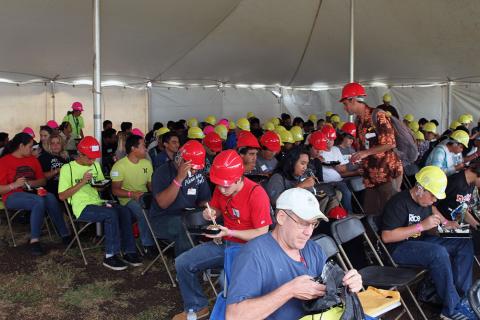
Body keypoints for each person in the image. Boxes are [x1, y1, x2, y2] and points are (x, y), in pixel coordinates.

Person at [226, 188, 362, 320]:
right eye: (303, 223)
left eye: (313, 224)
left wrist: (348, 285)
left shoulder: (313, 249)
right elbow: (234, 316)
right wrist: (289, 290)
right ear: (281, 217)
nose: (308, 232)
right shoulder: (253, 255)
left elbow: (332, 290)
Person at [173, 150, 272, 320]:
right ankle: (197, 307)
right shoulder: (222, 188)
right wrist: (209, 213)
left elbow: (262, 234)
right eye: (218, 185)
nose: (222, 189)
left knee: (225, 282)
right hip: (225, 243)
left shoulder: (256, 194)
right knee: (183, 262)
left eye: (226, 185)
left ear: (239, 178)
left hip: (250, 249)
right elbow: (215, 209)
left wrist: (230, 232)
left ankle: (239, 314)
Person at [381, 166, 476, 319]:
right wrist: (422, 226)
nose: (435, 200)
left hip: (419, 242)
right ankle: (452, 309)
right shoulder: (398, 203)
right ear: (419, 188)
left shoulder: (425, 204)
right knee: (438, 253)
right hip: (398, 248)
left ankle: (460, 297)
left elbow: (427, 227)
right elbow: (387, 237)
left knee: (463, 242)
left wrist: (440, 228)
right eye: (432, 195)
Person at [58, 136, 142, 270]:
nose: (92, 161)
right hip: (82, 207)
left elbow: (100, 186)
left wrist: (101, 186)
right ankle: (110, 256)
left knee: (124, 211)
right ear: (80, 154)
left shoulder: (96, 165)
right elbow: (62, 196)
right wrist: (82, 182)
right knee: (111, 214)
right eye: (90, 158)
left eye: (94, 158)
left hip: (98, 202)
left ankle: (129, 251)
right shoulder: (68, 168)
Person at [0, 133, 71, 255]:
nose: (33, 150)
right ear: (21, 146)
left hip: (33, 192)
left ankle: (64, 234)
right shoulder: (4, 161)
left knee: (50, 197)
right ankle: (34, 240)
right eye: (30, 146)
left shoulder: (32, 159)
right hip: (12, 196)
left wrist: (30, 183)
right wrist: (14, 185)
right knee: (38, 201)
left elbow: (42, 180)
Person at [340, 82, 403, 216]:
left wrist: (364, 153)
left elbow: (390, 143)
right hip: (370, 178)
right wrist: (358, 157)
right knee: (371, 217)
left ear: (353, 100)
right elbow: (364, 147)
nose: (345, 108)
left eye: (345, 103)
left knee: (390, 216)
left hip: (386, 175)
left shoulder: (378, 115)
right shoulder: (358, 121)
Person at [150, 140, 211, 257]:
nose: (194, 171)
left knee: (220, 220)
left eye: (196, 168)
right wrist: (179, 179)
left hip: (189, 216)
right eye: (191, 167)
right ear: (179, 159)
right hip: (162, 219)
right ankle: (186, 268)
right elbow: (163, 203)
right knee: (184, 225)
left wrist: (209, 210)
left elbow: (204, 200)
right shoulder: (162, 172)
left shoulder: (197, 174)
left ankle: (210, 264)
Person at [111, 134, 156, 257]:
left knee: (161, 205)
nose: (146, 149)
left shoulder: (146, 163)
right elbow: (115, 190)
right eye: (143, 146)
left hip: (144, 196)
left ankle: (161, 239)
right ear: (133, 148)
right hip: (127, 199)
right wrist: (132, 194)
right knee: (142, 211)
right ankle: (148, 245)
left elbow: (150, 185)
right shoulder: (119, 166)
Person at [435, 159, 480, 229]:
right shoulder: (454, 181)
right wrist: (445, 222)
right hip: (436, 225)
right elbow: (430, 206)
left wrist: (477, 226)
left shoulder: (472, 184)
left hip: (450, 226)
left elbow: (461, 210)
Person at [38, 134, 70, 198]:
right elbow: (41, 178)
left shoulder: (66, 158)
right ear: (49, 145)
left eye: (58, 143)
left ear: (62, 145)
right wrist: (56, 171)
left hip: (65, 189)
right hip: (51, 190)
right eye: (52, 143)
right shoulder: (44, 157)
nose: (56, 145)